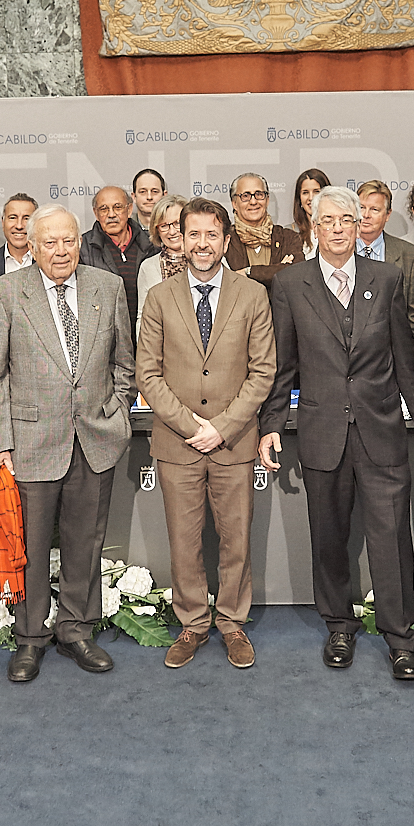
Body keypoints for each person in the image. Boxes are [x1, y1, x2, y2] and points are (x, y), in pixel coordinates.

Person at [260, 186, 414, 682]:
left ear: (360, 225)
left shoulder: (386, 278)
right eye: (328, 219)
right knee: (329, 537)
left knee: (391, 535)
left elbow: (405, 354)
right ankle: (339, 624)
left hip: (380, 428)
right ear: (313, 227)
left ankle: (401, 638)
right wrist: (271, 425)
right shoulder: (291, 282)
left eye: (347, 219)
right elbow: (282, 365)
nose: (338, 227)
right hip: (322, 431)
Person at [0, 205, 135, 682]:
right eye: (49, 242)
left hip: (95, 437)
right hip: (30, 441)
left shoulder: (107, 286)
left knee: (84, 543)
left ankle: (76, 628)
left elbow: (124, 362)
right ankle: (30, 637)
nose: (60, 250)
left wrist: (117, 412)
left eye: (68, 240)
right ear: (31, 244)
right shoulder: (4, 293)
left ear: (78, 241)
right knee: (27, 544)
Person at [136, 197, 276, 670]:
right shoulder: (159, 296)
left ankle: (232, 621)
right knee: (184, 539)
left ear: (225, 239)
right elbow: (148, 374)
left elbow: (263, 372)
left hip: (233, 442)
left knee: (236, 538)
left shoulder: (252, 294)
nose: (201, 244)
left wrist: (222, 427)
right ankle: (194, 622)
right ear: (180, 237)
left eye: (210, 235)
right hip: (178, 443)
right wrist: (190, 425)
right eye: (192, 234)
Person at [355, 179, 414, 342]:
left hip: (391, 354)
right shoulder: (338, 250)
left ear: (387, 215)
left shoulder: (409, 254)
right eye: (361, 208)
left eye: (374, 209)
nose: (366, 215)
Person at [81, 185, 157, 326]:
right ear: (96, 213)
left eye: (117, 207)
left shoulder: (152, 245)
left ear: (129, 210)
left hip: (146, 332)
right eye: (104, 209)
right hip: (104, 335)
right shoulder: (82, 248)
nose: (111, 215)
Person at [225, 173, 302, 289]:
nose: (253, 201)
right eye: (245, 196)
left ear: (267, 200)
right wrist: (279, 268)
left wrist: (248, 272)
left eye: (259, 194)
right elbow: (227, 282)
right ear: (234, 203)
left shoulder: (289, 237)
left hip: (280, 307)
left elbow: (295, 273)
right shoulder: (225, 240)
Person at [135, 194, 189, 337]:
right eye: (164, 226)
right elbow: (143, 318)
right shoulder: (148, 267)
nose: (172, 231)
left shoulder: (209, 258)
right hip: (165, 351)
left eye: (177, 223)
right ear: (156, 230)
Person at [0, 193, 38, 282]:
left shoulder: (48, 263)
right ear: (3, 222)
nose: (19, 226)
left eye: (26, 218)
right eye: (13, 218)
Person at [292, 168, 332, 259]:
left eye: (316, 192)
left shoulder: (338, 230)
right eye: (305, 193)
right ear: (299, 199)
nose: (311, 198)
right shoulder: (290, 233)